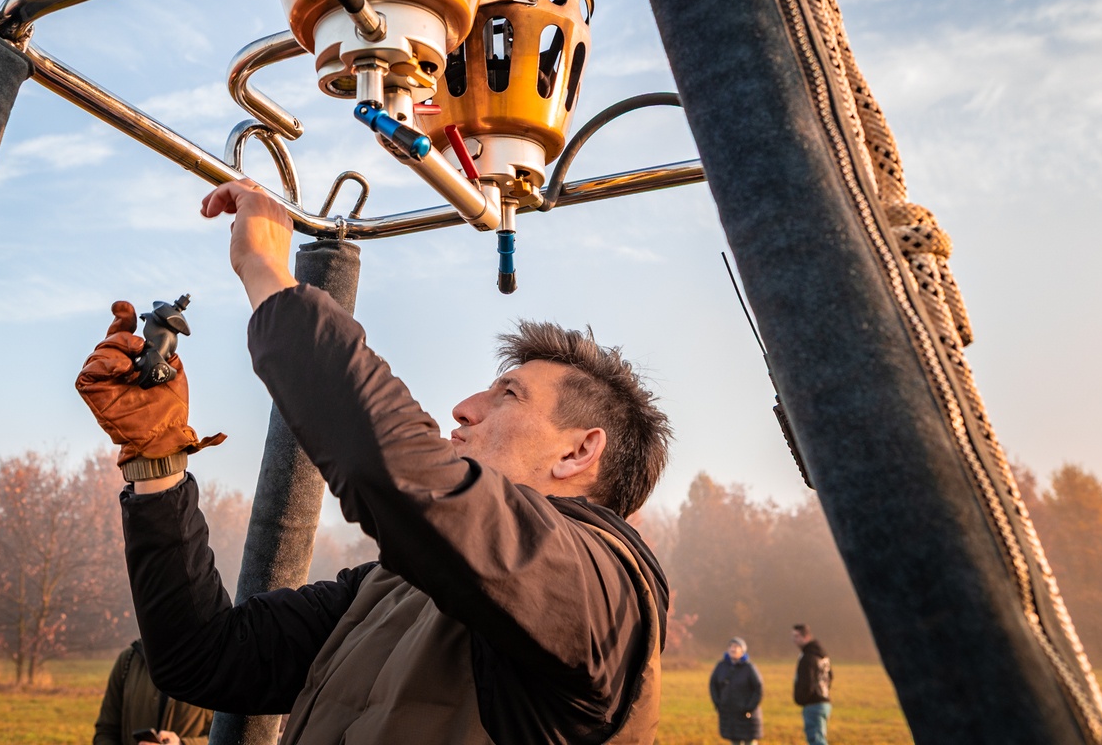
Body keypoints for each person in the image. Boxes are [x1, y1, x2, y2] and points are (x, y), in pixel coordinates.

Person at [75, 179, 674, 745]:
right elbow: (202, 657)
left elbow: (398, 475)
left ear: (578, 451)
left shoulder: (602, 593)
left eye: (509, 395)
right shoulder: (390, 588)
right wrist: (158, 465)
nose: (464, 408)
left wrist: (265, 271)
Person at [93, 639, 212, 745]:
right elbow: (106, 732)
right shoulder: (128, 660)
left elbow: (221, 738)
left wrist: (182, 744)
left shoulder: (211, 662)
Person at [709, 637, 763, 744]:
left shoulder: (749, 668)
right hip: (729, 714)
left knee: (750, 742)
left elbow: (758, 688)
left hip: (747, 715)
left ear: (742, 650)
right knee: (734, 741)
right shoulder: (721, 666)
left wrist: (749, 708)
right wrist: (718, 703)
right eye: (730, 646)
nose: (732, 649)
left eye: (736, 647)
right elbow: (713, 685)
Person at [792, 624, 833, 745]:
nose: (794, 640)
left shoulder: (808, 657)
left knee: (816, 740)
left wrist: (801, 699)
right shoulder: (822, 655)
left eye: (797, 636)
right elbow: (830, 676)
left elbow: (807, 681)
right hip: (824, 701)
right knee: (819, 737)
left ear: (806, 637)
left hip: (813, 703)